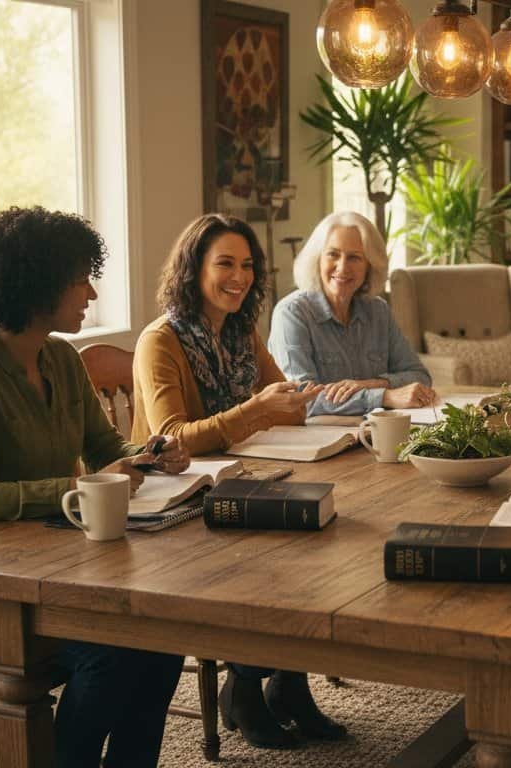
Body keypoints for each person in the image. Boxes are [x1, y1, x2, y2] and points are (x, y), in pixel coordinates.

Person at [0, 206, 191, 768]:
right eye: (81, 278)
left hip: (39, 569)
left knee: (159, 640)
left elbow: (108, 451)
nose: (91, 292)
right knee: (107, 651)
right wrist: (80, 487)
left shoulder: (59, 357)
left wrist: (152, 454)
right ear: (37, 282)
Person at [132, 213, 344, 749]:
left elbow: (286, 406)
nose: (240, 276)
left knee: (315, 538)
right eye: (225, 263)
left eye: (247, 265)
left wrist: (295, 400)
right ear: (193, 269)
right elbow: (171, 438)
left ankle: (288, 687)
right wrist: (255, 410)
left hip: (241, 484)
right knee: (277, 556)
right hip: (175, 507)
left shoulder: (240, 332)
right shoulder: (161, 340)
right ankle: (246, 687)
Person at [268, 211, 434, 417]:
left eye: (354, 257)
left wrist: (371, 384)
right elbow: (302, 400)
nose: (342, 267)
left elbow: (420, 376)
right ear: (318, 259)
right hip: (316, 439)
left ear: (369, 266)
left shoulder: (378, 311)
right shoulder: (291, 314)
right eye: (333, 254)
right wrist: (384, 396)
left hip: (374, 431)